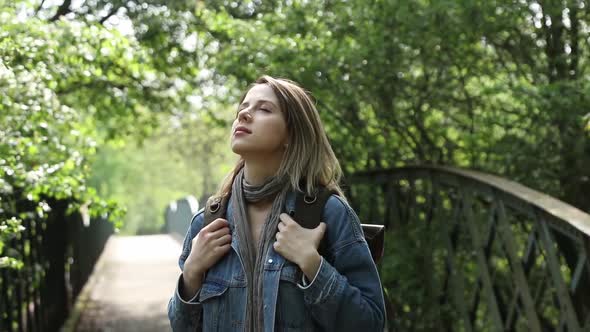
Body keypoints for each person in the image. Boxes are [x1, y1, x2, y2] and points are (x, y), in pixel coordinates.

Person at [167, 75, 386, 331]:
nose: (245, 115)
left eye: (264, 109)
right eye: (243, 108)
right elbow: (181, 327)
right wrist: (191, 274)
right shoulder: (208, 222)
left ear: (291, 135)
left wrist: (312, 264)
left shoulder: (327, 215)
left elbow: (370, 323)